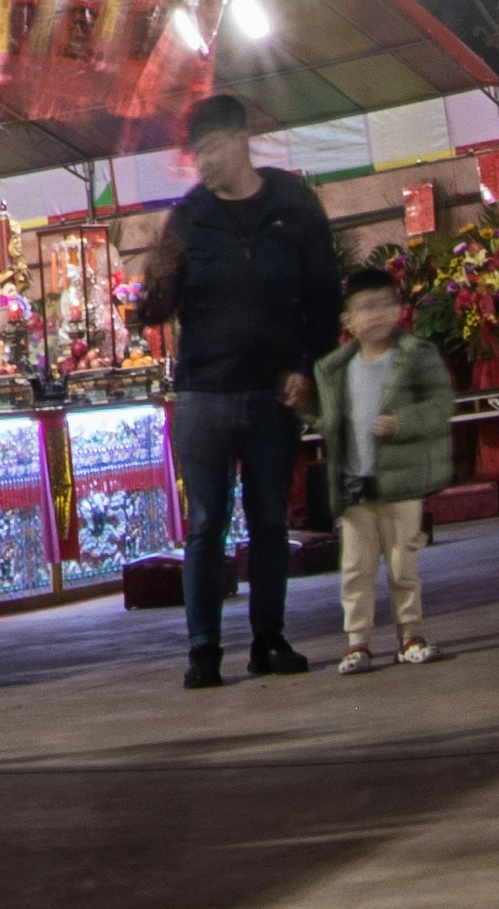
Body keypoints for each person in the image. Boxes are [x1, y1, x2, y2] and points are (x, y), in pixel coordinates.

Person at [130, 90, 343, 685]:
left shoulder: (294, 204)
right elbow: (157, 308)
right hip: (204, 394)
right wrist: (153, 287)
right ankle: (203, 650)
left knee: (270, 519)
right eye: (196, 153)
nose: (203, 163)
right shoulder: (189, 217)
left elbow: (324, 294)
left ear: (242, 140)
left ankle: (269, 640)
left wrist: (308, 364)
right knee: (206, 523)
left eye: (213, 148)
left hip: (274, 392)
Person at [323, 266, 456, 667]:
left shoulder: (416, 356)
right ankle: (357, 642)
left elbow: (441, 406)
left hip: (402, 483)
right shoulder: (337, 368)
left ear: (400, 309)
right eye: (366, 307)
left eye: (386, 304)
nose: (378, 314)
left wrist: (403, 424)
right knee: (355, 570)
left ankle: (410, 635)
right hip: (355, 486)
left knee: (403, 565)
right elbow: (329, 420)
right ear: (348, 320)